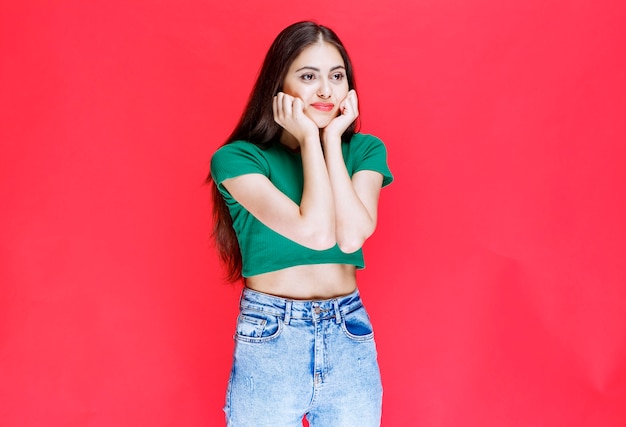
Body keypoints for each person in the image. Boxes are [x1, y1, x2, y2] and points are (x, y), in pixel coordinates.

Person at [209, 21, 393, 427]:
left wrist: (330, 142)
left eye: (337, 76)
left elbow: (350, 236)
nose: (326, 90)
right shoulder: (239, 159)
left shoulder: (363, 150)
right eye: (309, 76)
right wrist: (310, 139)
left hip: (349, 332)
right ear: (279, 85)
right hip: (271, 337)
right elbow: (315, 232)